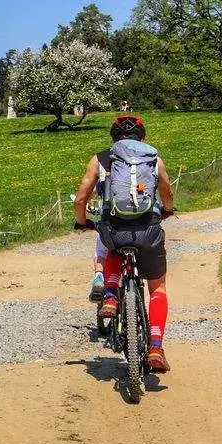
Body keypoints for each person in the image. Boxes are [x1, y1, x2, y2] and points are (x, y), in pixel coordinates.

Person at [73, 115, 175, 372]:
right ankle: (154, 346)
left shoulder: (101, 159)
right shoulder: (154, 158)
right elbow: (167, 192)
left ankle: (110, 296)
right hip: (148, 230)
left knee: (112, 246)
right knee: (158, 289)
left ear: (113, 136)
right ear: (143, 136)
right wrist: (168, 210)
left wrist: (82, 221)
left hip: (115, 228)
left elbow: (81, 196)